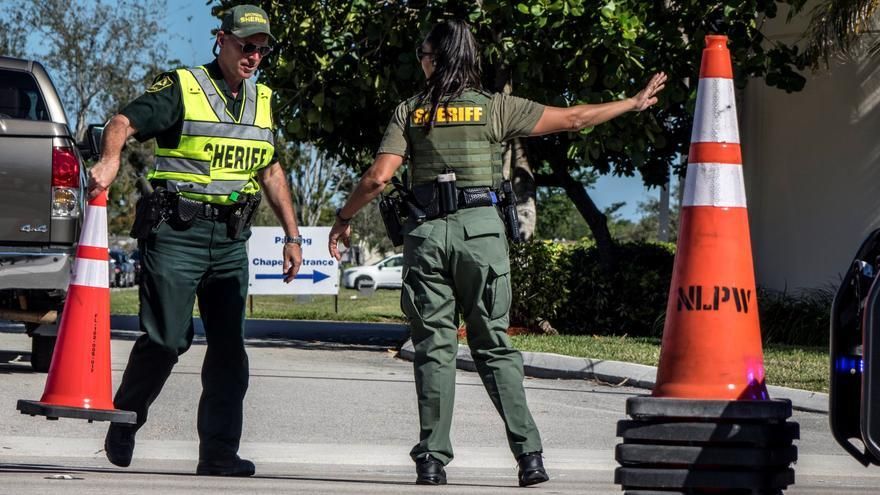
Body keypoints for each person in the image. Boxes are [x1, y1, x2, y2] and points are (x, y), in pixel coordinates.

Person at [328, 19, 666, 487]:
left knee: (434, 350)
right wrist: (631, 103)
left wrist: (343, 218)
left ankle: (432, 461)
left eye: (425, 54)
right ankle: (529, 457)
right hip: (482, 238)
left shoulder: (410, 112)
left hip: (426, 239)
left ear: (439, 59)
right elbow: (573, 118)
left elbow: (378, 178)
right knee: (494, 347)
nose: (422, 62)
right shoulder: (496, 108)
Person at [87, 5, 303, 477]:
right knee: (168, 340)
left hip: (230, 239)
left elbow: (269, 168)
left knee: (229, 349)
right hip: (177, 234)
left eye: (262, 49)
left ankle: (219, 453)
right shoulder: (183, 87)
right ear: (220, 39)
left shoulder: (262, 100)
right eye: (247, 46)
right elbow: (121, 123)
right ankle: (126, 418)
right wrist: (110, 162)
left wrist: (292, 234)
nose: (254, 56)